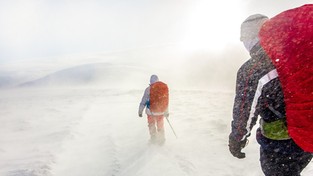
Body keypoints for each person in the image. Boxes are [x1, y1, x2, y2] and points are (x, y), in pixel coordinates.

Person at [228, 7, 313, 176]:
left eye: (244, 38)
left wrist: (237, 139)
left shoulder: (254, 68)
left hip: (281, 144)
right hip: (307, 133)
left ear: (251, 38)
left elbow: (245, 109)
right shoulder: (298, 52)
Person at [138, 75, 169, 145]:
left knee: (151, 125)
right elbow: (165, 101)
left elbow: (143, 101)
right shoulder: (163, 88)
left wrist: (140, 111)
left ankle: (153, 139)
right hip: (161, 112)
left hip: (150, 112)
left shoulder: (148, 89)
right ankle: (161, 140)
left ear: (150, 81)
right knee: (160, 125)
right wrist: (166, 112)